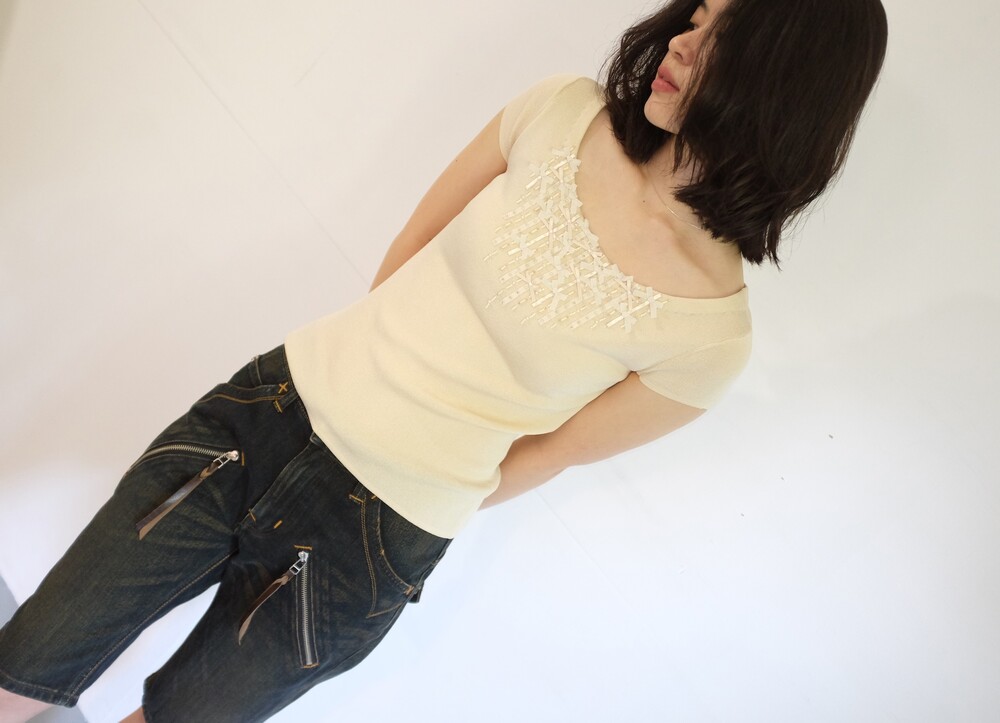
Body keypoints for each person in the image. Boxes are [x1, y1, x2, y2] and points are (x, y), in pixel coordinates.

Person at [0, 0, 888, 720]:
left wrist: (411, 478)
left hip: (369, 548)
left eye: (719, 37)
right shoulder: (561, 110)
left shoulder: (710, 338)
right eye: (695, 16)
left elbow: (550, 455)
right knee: (30, 659)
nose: (684, 41)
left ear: (782, 85)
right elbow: (406, 254)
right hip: (266, 417)